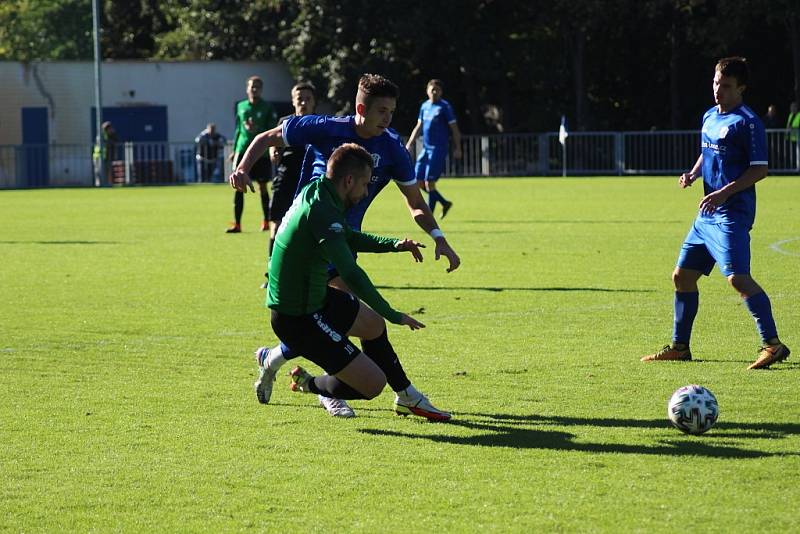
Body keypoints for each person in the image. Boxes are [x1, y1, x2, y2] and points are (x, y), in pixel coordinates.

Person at [230, 73, 460, 420]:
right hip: (309, 245)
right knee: (327, 323)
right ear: (360, 108)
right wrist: (242, 168)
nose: (387, 118)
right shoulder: (326, 128)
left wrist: (438, 238)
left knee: (350, 323)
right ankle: (330, 390)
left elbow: (415, 202)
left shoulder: (393, 148)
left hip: (342, 242)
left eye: (392, 111)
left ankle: (276, 360)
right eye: (381, 110)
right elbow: (266, 137)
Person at [256, 143, 447, 422]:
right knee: (372, 384)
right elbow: (352, 273)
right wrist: (392, 313)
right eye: (365, 185)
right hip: (297, 317)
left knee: (372, 326)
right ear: (348, 180)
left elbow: (348, 235)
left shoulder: (320, 191)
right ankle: (311, 385)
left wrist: (394, 245)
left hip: (315, 297)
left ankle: (408, 397)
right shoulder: (321, 210)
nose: (366, 192)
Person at [641, 57, 790, 370]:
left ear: (741, 88)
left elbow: (760, 170)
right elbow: (707, 149)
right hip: (706, 216)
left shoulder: (748, 122)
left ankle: (772, 345)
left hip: (731, 214)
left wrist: (723, 192)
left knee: (737, 278)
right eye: (715, 83)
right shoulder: (710, 115)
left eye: (725, 85)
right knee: (682, 277)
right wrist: (694, 174)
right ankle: (680, 347)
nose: (718, 90)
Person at [266, 81, 317, 265]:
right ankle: (272, 271)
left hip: (312, 181)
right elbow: (272, 143)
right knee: (278, 225)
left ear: (314, 102)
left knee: (311, 228)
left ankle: (312, 272)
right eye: (299, 99)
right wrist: (273, 151)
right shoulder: (285, 122)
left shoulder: (320, 124)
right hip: (286, 178)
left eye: (308, 99)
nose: (303, 102)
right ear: (293, 101)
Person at [405, 79, 462, 218]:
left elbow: (454, 128)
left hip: (438, 149)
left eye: (437, 90)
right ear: (427, 91)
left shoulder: (444, 107)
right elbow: (419, 126)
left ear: (441, 92)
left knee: (429, 182)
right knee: (418, 182)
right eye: (432, 90)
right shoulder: (424, 106)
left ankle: (428, 213)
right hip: (425, 149)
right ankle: (444, 202)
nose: (435, 92)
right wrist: (410, 143)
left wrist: (458, 147)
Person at [227, 75, 277, 233]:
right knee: (238, 186)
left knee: (263, 187)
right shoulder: (241, 106)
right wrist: (235, 150)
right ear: (247, 88)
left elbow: (271, 131)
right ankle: (237, 224)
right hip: (242, 151)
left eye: (257, 87)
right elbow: (238, 130)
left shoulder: (267, 108)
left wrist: (271, 148)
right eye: (252, 86)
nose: (254, 89)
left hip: (259, 154)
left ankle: (266, 221)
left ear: (261, 90)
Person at [93, 121, 118, 185]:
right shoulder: (102, 136)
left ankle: (104, 184)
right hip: (99, 157)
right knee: (99, 172)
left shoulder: (108, 135)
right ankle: (99, 185)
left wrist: (113, 134)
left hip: (105, 156)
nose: (111, 129)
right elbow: (108, 142)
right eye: (110, 128)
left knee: (106, 172)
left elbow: (115, 140)